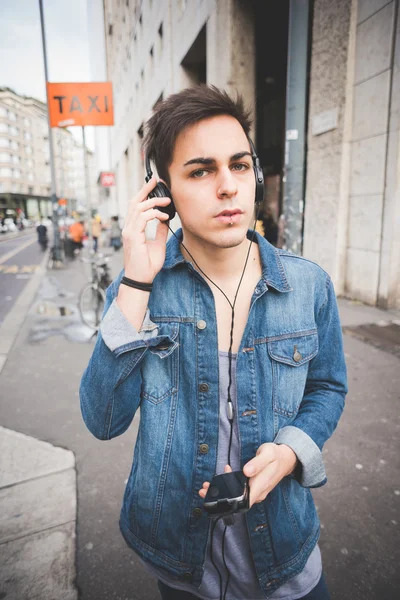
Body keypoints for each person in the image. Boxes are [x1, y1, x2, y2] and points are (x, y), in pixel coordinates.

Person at [80, 85, 347, 600]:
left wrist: (291, 453)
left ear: (256, 175)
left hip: (286, 555)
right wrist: (137, 280)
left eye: (240, 165)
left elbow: (328, 388)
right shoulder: (139, 290)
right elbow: (103, 419)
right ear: (163, 193)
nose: (227, 187)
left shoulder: (308, 285)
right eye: (200, 171)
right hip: (183, 563)